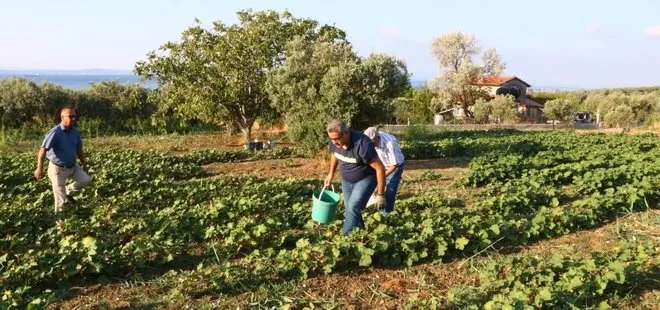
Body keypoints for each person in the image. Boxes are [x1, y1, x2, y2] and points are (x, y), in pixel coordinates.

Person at [324, 119, 386, 235]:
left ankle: (345, 238)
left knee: (353, 208)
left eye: (337, 138)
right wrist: (331, 173)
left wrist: (381, 194)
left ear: (347, 133)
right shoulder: (334, 141)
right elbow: (334, 154)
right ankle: (361, 236)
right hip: (347, 180)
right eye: (332, 139)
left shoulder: (362, 144)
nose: (335, 142)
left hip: (365, 179)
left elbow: (380, 168)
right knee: (350, 210)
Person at [34, 106, 92, 214]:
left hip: (73, 166)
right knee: (60, 201)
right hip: (58, 169)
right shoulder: (55, 133)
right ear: (62, 117)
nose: (73, 119)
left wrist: (84, 164)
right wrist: (39, 168)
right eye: (70, 116)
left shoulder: (75, 132)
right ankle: (61, 225)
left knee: (87, 180)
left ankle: (68, 191)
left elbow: (79, 150)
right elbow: (42, 151)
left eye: (75, 116)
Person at [363, 126, 405, 216]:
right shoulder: (367, 142)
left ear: (377, 138)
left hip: (394, 166)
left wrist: (381, 176)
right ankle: (373, 207)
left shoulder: (390, 143)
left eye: (372, 143)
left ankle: (386, 213)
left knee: (390, 189)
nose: (371, 146)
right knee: (370, 185)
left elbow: (394, 165)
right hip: (380, 165)